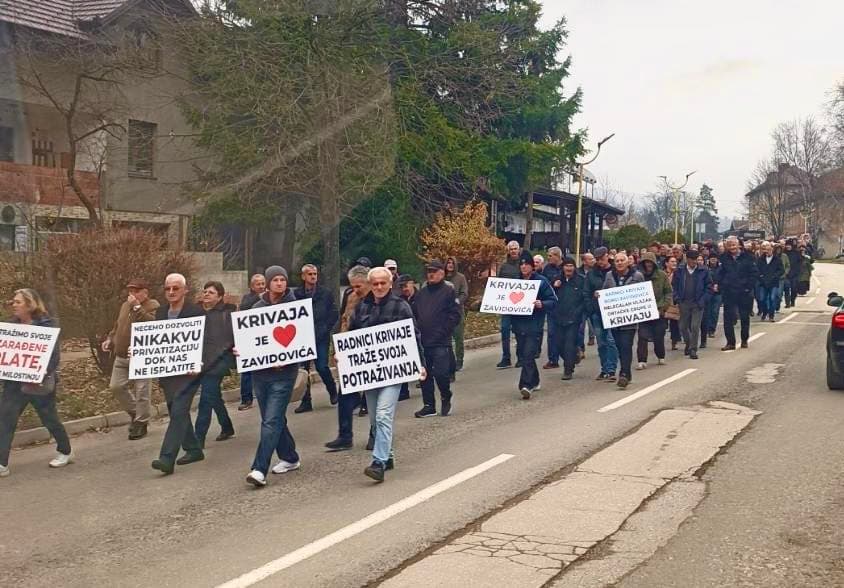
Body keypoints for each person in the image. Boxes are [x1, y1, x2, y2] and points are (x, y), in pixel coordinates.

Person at [348, 267, 426, 482]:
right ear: (370, 285)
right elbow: (352, 336)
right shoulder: (361, 307)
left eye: (383, 283)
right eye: (375, 284)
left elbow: (413, 336)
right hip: (370, 373)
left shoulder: (401, 306)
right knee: (375, 418)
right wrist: (343, 358)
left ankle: (378, 462)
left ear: (390, 284)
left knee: (383, 414)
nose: (379, 287)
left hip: (393, 373)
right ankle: (388, 455)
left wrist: (420, 364)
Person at [0, 289, 71, 477]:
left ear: (30, 304)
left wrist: (38, 372)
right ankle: (1, 463)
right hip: (14, 383)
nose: (13, 305)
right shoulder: (9, 327)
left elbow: (53, 357)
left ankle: (65, 451)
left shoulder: (46, 327)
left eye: (18, 302)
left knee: (49, 418)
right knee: (5, 420)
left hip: (38, 383)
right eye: (13, 302)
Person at [245, 266, 303, 487]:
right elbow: (250, 338)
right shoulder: (257, 307)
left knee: (270, 420)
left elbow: (302, 339)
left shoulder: (295, 308)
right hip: (261, 374)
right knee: (274, 418)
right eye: (275, 280)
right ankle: (290, 457)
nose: (280, 283)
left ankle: (259, 469)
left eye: (283, 279)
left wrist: (287, 357)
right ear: (268, 283)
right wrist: (243, 350)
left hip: (284, 374)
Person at [151, 274, 206, 475]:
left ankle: (166, 458)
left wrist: (200, 363)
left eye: (176, 288)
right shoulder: (160, 313)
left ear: (185, 290)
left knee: (178, 412)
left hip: (189, 373)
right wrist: (138, 351)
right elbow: (154, 340)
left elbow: (206, 341)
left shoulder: (196, 312)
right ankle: (193, 449)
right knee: (177, 409)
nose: (171, 292)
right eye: (168, 289)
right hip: (168, 373)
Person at [103, 278, 159, 440]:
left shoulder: (153, 306)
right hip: (121, 355)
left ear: (145, 292)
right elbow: (118, 325)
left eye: (136, 291)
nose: (132, 294)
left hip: (141, 356)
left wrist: (137, 307)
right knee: (116, 386)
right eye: (130, 291)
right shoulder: (124, 306)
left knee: (142, 391)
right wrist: (110, 339)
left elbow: (152, 324)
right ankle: (136, 413)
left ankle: (141, 423)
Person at [324, 265, 372, 451]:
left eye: (359, 286)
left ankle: (375, 435)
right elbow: (344, 322)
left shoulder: (376, 300)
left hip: (372, 356)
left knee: (374, 400)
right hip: (351, 355)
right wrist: (339, 349)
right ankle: (345, 436)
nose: (355, 290)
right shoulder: (352, 298)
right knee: (344, 396)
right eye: (352, 286)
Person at [413, 260, 462, 418]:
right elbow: (415, 314)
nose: (431, 274)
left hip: (441, 340)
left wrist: (444, 330)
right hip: (423, 341)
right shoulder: (422, 293)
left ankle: (445, 395)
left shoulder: (448, 291)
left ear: (442, 273)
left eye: (434, 271)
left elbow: (455, 314)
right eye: (429, 271)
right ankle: (429, 405)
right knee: (424, 375)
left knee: (441, 374)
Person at [293, 264, 339, 413]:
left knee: (321, 366)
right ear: (303, 276)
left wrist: (326, 328)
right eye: (310, 274)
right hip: (303, 336)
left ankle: (332, 389)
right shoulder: (296, 294)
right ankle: (306, 401)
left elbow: (333, 312)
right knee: (303, 369)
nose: (313, 276)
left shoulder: (325, 293)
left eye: (315, 274)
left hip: (321, 335)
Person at [194, 281, 236, 448]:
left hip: (219, 362)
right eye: (205, 291)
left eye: (211, 292)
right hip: (202, 362)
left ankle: (198, 440)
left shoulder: (226, 314)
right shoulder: (196, 313)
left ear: (219, 296)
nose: (206, 294)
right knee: (213, 396)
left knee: (206, 398)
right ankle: (227, 427)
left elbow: (233, 336)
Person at [512, 251, 556, 399]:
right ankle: (535, 379)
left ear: (532, 266)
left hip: (534, 325)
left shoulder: (541, 281)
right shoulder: (515, 282)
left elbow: (553, 300)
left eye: (527, 264)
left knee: (528, 354)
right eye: (521, 264)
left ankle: (525, 385)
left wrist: (541, 303)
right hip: (519, 324)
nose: (524, 267)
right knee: (523, 354)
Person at [601, 252, 644, 388]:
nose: (619, 263)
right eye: (617, 261)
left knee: (626, 345)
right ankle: (627, 371)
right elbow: (605, 291)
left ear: (627, 262)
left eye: (622, 260)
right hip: (614, 319)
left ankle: (624, 373)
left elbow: (643, 294)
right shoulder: (609, 276)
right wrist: (599, 295)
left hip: (629, 319)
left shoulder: (637, 276)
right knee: (619, 346)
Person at [717, 237, 759, 351]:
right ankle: (730, 342)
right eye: (729, 245)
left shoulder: (748, 257)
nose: (732, 248)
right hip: (729, 292)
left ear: (739, 245)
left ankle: (744, 340)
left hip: (744, 292)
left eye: (734, 245)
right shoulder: (724, 258)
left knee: (744, 317)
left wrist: (748, 287)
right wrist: (720, 284)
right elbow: (720, 274)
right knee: (728, 318)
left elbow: (754, 274)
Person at [584, 247, 618, 382]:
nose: (600, 262)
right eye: (597, 260)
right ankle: (604, 369)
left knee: (611, 341)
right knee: (601, 342)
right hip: (597, 312)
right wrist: (591, 306)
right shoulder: (592, 274)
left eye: (602, 259)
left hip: (612, 312)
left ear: (607, 257)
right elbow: (586, 292)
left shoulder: (615, 272)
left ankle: (611, 369)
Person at [550, 257, 587, 380]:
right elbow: (550, 296)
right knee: (559, 344)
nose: (569, 268)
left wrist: (578, 313)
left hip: (574, 319)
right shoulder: (557, 280)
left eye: (571, 266)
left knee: (569, 343)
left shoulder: (580, 280)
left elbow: (584, 298)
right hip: (558, 317)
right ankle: (573, 356)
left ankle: (568, 369)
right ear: (563, 267)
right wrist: (554, 287)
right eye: (567, 266)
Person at [671, 250, 711, 360]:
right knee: (683, 326)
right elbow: (674, 286)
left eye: (695, 259)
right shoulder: (679, 271)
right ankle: (688, 343)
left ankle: (693, 349)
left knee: (695, 326)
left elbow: (709, 287)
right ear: (687, 259)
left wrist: (703, 300)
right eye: (691, 259)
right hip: (684, 302)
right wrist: (677, 298)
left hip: (698, 303)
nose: (694, 261)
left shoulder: (703, 270)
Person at [636, 253, 671, 369]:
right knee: (642, 336)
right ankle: (642, 360)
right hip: (643, 311)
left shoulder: (662, 275)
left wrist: (664, 306)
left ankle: (660, 355)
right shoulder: (638, 276)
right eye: (646, 262)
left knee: (658, 336)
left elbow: (668, 292)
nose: (648, 264)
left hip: (658, 310)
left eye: (650, 262)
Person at [237, 274, 266, 411]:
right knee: (247, 371)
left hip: (266, 338)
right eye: (258, 284)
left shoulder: (270, 297)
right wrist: (258, 298)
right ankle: (246, 398)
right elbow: (244, 309)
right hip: (250, 339)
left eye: (262, 283)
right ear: (251, 286)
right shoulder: (247, 298)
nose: (261, 286)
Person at [496, 240, 522, 369]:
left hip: (520, 303)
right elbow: (499, 284)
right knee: (505, 330)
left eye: (515, 248)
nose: (513, 251)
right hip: (506, 303)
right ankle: (506, 357)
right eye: (511, 249)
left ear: (519, 249)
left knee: (518, 330)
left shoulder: (523, 265)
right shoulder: (504, 266)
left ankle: (520, 357)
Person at [445, 257, 469, 372]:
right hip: (444, 313)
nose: (450, 265)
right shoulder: (442, 278)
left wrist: (458, 301)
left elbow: (464, 293)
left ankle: (460, 360)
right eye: (448, 263)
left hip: (457, 312)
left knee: (458, 337)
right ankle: (449, 361)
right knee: (446, 339)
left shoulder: (460, 277)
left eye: (452, 263)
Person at [541, 247, 563, 369]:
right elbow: (545, 283)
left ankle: (572, 353)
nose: (548, 258)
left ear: (557, 256)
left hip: (564, 305)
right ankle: (553, 359)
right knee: (552, 333)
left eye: (550, 256)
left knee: (565, 333)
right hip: (552, 305)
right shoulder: (547, 269)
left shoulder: (566, 266)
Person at [755, 241, 784, 322]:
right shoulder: (760, 259)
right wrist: (760, 276)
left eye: (768, 250)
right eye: (765, 250)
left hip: (773, 283)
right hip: (763, 283)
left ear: (772, 250)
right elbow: (757, 270)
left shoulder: (777, 260)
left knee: (772, 298)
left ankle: (771, 315)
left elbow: (781, 270)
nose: (767, 252)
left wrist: (775, 276)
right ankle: (764, 312)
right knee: (762, 299)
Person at [664, 256, 682, 350]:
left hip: (675, 300)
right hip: (664, 300)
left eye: (675, 261)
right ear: (667, 263)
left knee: (674, 322)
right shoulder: (663, 274)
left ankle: (674, 341)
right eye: (672, 261)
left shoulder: (679, 273)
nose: (674, 263)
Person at [703, 255, 722, 338]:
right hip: (708, 292)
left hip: (718, 293)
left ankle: (712, 329)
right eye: (711, 259)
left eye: (715, 258)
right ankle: (706, 328)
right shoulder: (705, 269)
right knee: (707, 312)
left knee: (715, 311)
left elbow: (724, 278)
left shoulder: (721, 268)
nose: (713, 260)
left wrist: (719, 286)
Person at [784, 239, 802, 308]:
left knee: (794, 288)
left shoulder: (796, 253)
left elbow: (800, 262)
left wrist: (797, 271)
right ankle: (787, 303)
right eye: (787, 245)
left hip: (795, 273)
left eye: (789, 245)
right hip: (786, 274)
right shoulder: (784, 253)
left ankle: (793, 300)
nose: (788, 247)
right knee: (786, 289)